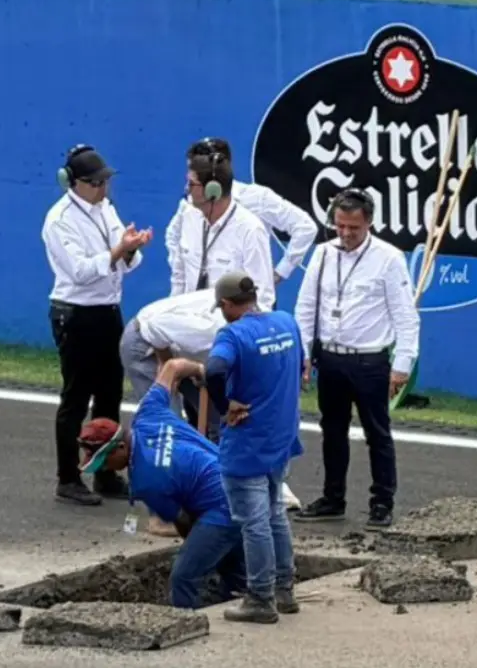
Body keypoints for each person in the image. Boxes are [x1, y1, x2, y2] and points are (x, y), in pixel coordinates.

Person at [76, 357, 252, 610]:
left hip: (222, 506)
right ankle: (239, 596)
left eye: (104, 461)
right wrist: (202, 371)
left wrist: (196, 549)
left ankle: (186, 624)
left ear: (121, 448)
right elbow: (173, 367)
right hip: (238, 481)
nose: (103, 469)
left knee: (183, 577)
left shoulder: (147, 481)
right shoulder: (148, 414)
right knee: (230, 563)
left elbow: (183, 520)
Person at [292, 188, 420, 530]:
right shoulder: (322, 254)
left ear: (369, 224)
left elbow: (406, 316)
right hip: (330, 358)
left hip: (370, 361)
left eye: (353, 228)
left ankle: (382, 502)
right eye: (340, 226)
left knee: (377, 433)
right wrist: (303, 353)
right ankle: (333, 498)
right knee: (331, 430)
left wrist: (402, 365)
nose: (346, 234)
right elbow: (305, 308)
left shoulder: (389, 258)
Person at [42, 144, 153, 506]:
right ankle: (68, 477)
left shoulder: (106, 208)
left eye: (106, 181)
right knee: (76, 395)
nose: (103, 189)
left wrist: (131, 247)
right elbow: (81, 271)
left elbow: (126, 261)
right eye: (95, 183)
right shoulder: (59, 221)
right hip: (75, 311)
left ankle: (105, 470)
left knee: (109, 393)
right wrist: (119, 251)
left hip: (108, 309)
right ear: (73, 183)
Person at [203, 272, 303, 624]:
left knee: (254, 521)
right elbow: (302, 367)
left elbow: (213, 368)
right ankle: (284, 590)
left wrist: (224, 403)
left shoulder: (233, 334)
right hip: (281, 434)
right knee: (275, 511)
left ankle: (260, 597)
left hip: (248, 441)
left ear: (228, 305)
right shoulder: (286, 322)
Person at [167, 137, 319, 298]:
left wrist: (280, 272)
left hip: (245, 307)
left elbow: (305, 227)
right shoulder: (191, 205)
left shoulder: (257, 198)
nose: (188, 187)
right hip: (196, 307)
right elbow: (173, 236)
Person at [166, 148, 277, 312]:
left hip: (230, 329)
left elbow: (262, 298)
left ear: (213, 190)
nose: (186, 189)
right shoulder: (188, 216)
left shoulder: (250, 230)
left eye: (191, 184)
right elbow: (179, 277)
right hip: (189, 325)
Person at [119, 288, 225, 442]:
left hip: (178, 349)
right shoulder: (211, 328)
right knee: (168, 426)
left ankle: (217, 462)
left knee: (220, 417)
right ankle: (159, 463)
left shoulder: (255, 318)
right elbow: (155, 326)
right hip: (145, 342)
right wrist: (167, 367)